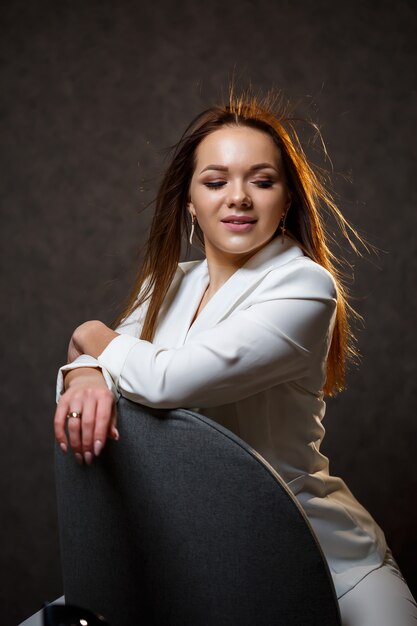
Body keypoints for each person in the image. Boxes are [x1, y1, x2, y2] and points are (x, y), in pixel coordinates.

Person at [54, 91, 417, 625]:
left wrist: (87, 333)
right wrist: (84, 371)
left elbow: (163, 379)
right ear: (190, 201)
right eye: (216, 181)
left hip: (325, 560)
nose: (239, 198)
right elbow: (104, 362)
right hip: (202, 558)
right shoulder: (167, 284)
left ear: (287, 198)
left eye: (262, 181)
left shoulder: (306, 287)